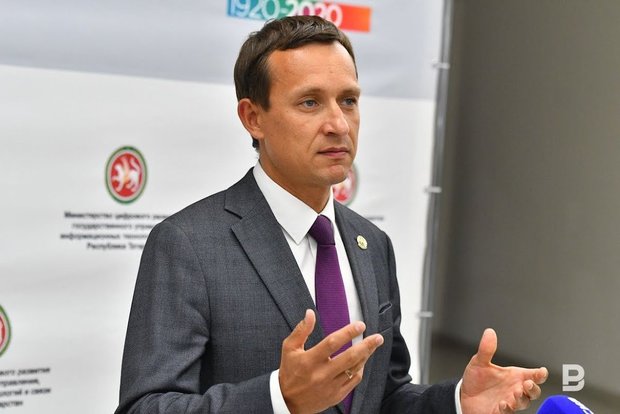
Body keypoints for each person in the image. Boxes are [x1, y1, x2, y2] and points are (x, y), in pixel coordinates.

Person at [115, 16, 547, 414]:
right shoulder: (188, 244)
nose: (339, 124)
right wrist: (278, 399)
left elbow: (385, 395)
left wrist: (456, 401)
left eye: (349, 100)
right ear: (253, 117)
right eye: (310, 103)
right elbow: (145, 407)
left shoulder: (372, 244)